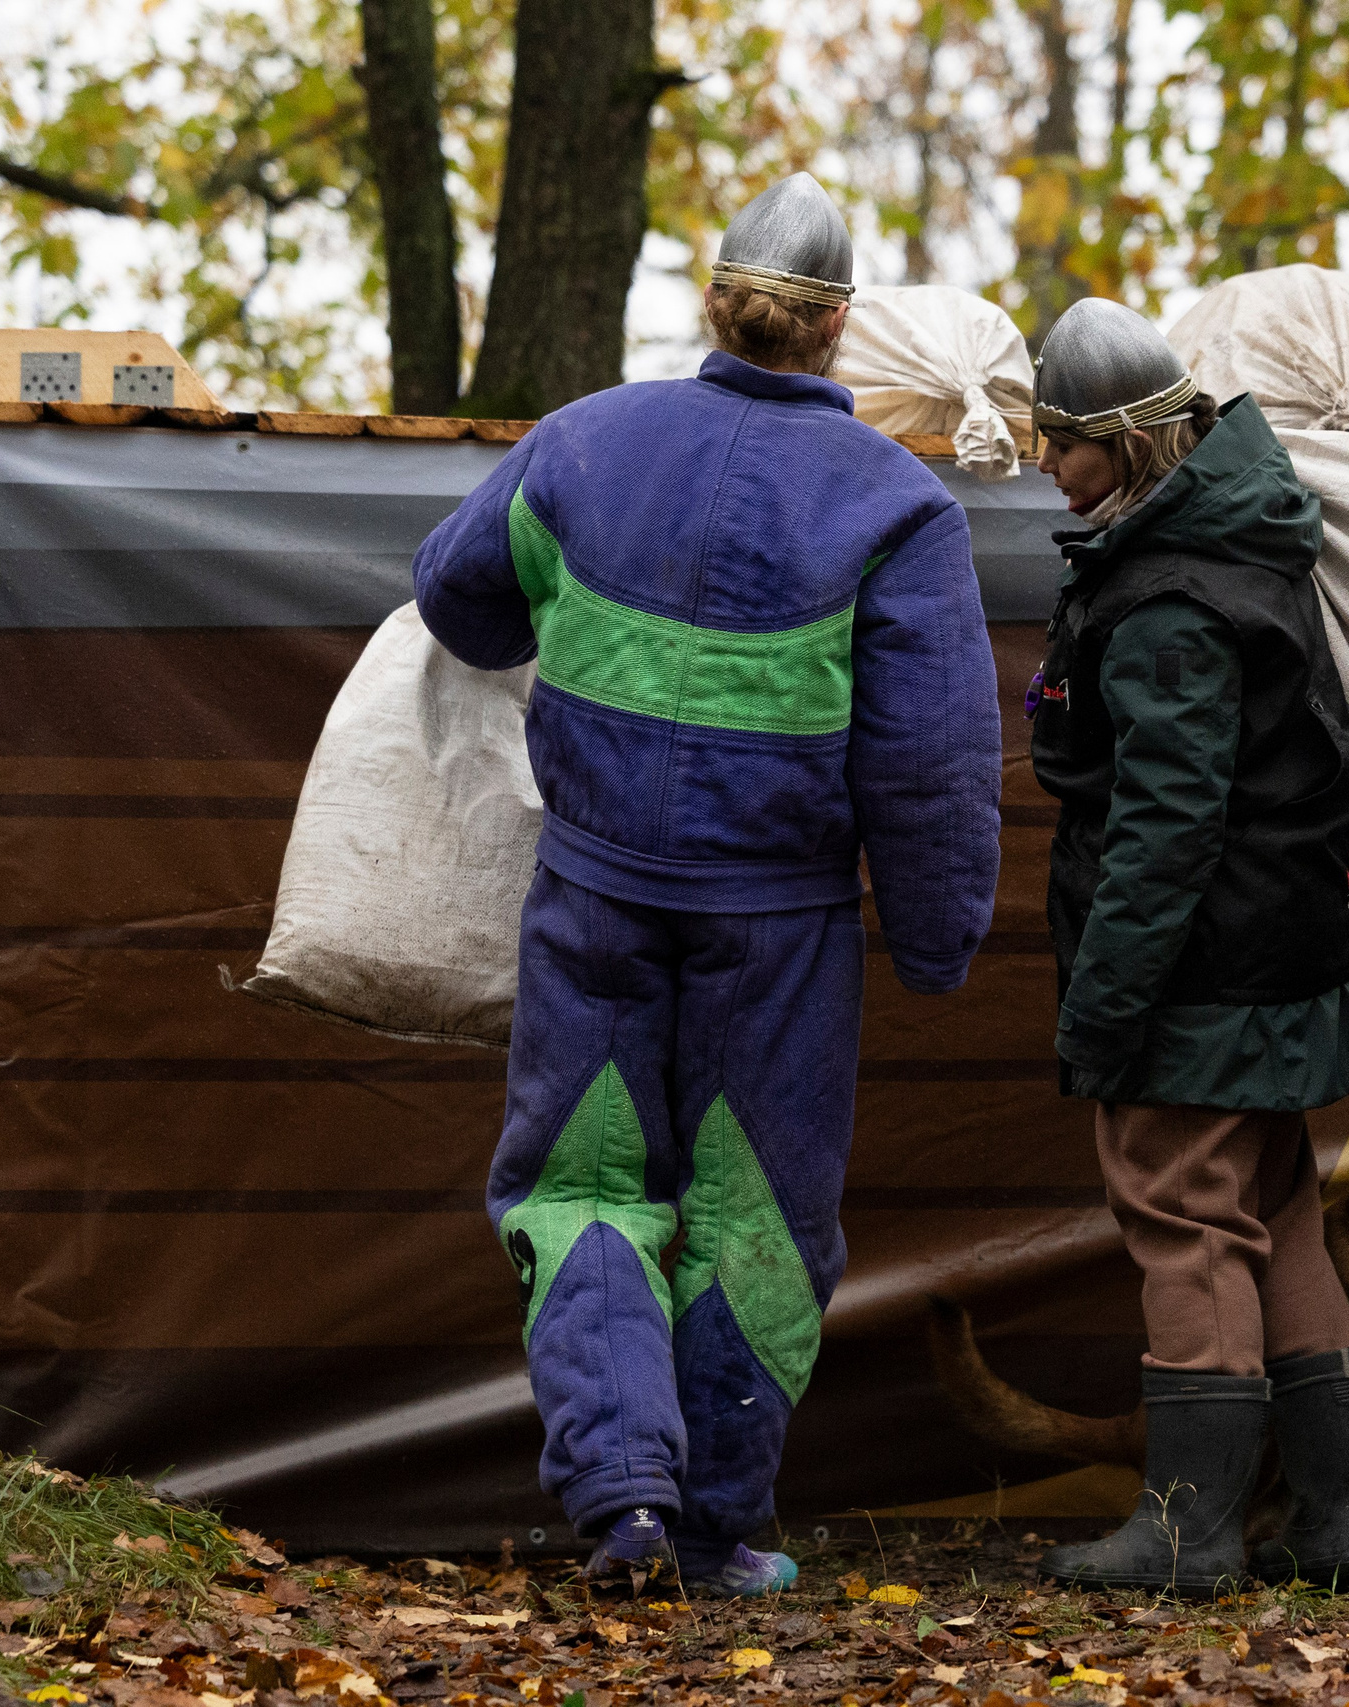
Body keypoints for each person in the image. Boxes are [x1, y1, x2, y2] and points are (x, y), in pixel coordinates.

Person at [410, 173, 1003, 1598]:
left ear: (715, 302)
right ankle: (715, 1522)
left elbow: (453, 588)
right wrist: (934, 935)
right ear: (840, 325)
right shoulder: (898, 507)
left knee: (583, 1187)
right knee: (754, 1212)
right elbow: (928, 760)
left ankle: (619, 1494)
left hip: (592, 897)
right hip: (778, 930)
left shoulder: (584, 441)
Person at [1024, 297, 1349, 1596]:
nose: (1043, 462)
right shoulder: (1250, 546)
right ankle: (1335, 1526)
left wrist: (1107, 1004)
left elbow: (1166, 825)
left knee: (1184, 1217)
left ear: (1121, 448)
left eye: (1060, 441)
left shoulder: (1170, 602)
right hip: (1282, 958)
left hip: (1199, 975)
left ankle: (1189, 1529)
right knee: (1277, 1214)